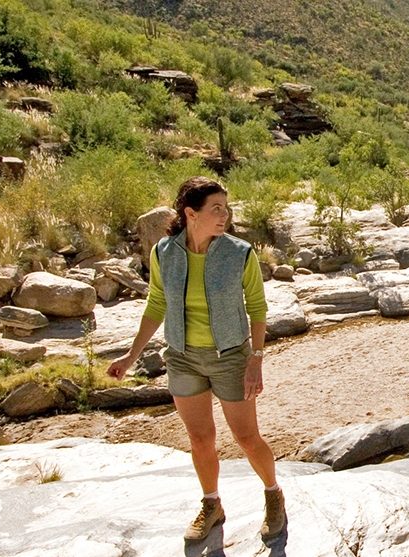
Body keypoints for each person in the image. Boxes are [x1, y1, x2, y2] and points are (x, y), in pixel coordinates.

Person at [106, 177, 285, 543]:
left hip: (231, 357)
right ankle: (212, 504)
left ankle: (273, 495)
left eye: (226, 207)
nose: (225, 215)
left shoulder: (239, 253)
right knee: (200, 439)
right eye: (216, 208)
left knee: (247, 437)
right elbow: (156, 303)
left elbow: (257, 308)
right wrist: (131, 354)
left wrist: (256, 359)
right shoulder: (164, 253)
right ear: (191, 213)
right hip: (182, 358)